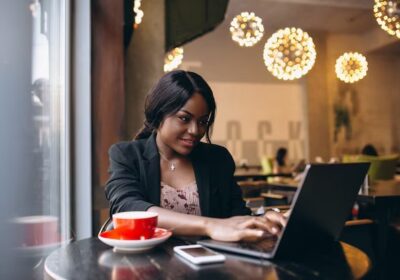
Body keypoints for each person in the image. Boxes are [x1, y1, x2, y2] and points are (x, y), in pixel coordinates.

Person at [105, 70, 286, 242]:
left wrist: (264, 219)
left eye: (202, 122)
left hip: (208, 266)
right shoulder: (126, 155)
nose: (195, 130)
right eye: (184, 118)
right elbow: (127, 207)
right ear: (159, 114)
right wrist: (209, 226)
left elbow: (237, 216)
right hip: (149, 265)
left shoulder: (217, 159)